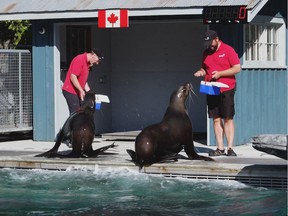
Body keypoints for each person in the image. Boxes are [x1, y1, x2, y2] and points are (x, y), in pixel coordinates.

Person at [194, 30, 241, 156]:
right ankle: (220, 148)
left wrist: (220, 74)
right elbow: (204, 68)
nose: (210, 46)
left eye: (211, 43)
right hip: (211, 88)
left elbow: (237, 68)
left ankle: (230, 148)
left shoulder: (228, 50)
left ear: (217, 39)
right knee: (216, 118)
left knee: (228, 118)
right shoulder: (206, 53)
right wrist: (201, 72)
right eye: (207, 44)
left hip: (226, 87)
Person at [62, 49, 103, 114]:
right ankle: (73, 124)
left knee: (83, 111)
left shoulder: (87, 64)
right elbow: (73, 77)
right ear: (94, 55)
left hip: (78, 91)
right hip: (70, 90)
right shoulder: (80, 59)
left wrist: (90, 92)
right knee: (76, 113)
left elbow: (83, 80)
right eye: (98, 60)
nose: (97, 63)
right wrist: (81, 90)